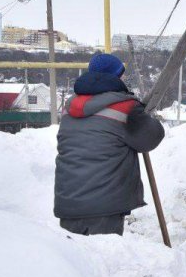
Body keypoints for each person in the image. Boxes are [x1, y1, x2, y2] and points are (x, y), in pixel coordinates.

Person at [54, 53, 164, 236]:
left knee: (73, 262)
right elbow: (151, 137)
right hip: (104, 206)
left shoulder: (70, 106)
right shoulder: (125, 107)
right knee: (101, 262)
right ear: (117, 76)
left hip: (68, 203)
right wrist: (143, 115)